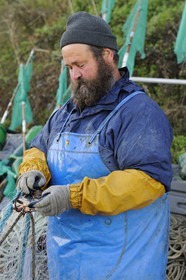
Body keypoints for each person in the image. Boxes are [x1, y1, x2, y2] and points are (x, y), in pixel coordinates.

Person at [17, 11, 173, 280]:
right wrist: (33, 170)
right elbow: (38, 148)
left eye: (80, 64)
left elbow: (148, 181)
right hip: (65, 265)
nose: (74, 75)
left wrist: (73, 196)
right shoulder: (65, 114)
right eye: (69, 68)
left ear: (107, 55)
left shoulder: (138, 113)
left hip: (124, 268)